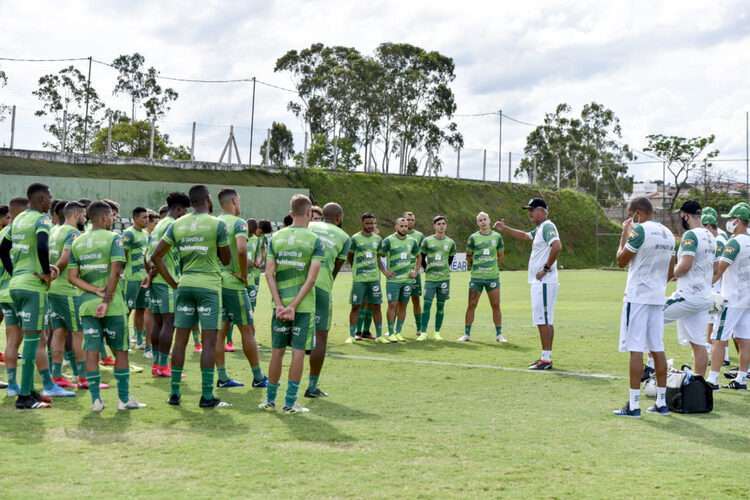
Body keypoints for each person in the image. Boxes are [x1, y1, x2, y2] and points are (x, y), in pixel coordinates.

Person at [151, 185, 232, 408]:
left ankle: (175, 393)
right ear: (207, 199)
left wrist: (173, 283)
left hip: (184, 286)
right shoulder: (218, 224)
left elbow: (156, 256)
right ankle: (207, 396)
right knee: (209, 343)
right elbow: (226, 260)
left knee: (180, 341)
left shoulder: (177, 224)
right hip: (208, 287)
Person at [68, 201, 146, 412]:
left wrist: (94, 291)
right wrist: (105, 299)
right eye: (112, 216)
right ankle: (123, 400)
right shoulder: (113, 239)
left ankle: (96, 400)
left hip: (86, 305)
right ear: (103, 218)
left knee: (92, 351)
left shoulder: (78, 241)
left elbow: (72, 277)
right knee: (121, 350)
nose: (113, 219)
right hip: (112, 306)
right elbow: (116, 271)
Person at [258, 194, 322, 414]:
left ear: (290, 212)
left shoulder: (276, 238)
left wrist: (279, 304)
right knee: (297, 352)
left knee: (276, 352)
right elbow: (311, 279)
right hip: (302, 308)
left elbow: (268, 274)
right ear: (308, 214)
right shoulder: (314, 240)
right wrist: (293, 306)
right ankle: (290, 403)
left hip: (279, 307)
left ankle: (269, 400)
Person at [612, 197, 673, 417]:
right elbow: (671, 269)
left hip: (637, 296)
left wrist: (623, 234)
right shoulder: (667, 233)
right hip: (657, 296)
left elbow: (621, 260)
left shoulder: (640, 231)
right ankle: (662, 402)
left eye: (630, 214)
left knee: (635, 348)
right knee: (657, 346)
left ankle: (634, 404)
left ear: (637, 213)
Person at [0, 184, 59, 409]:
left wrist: (15, 271)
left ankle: (28, 389)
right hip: (33, 287)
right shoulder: (41, 219)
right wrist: (45, 272)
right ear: (42, 198)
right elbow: (43, 245)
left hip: (15, 285)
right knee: (34, 341)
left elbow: (2, 249)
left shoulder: (18, 219)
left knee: (26, 339)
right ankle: (24, 398)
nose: (51, 201)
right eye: (50, 197)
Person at [496, 199, 562, 368]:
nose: (529, 213)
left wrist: (545, 268)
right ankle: (545, 357)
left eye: (532, 210)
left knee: (544, 319)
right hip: (540, 282)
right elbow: (525, 235)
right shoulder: (540, 229)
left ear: (542, 211)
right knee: (543, 319)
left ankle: (546, 359)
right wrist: (505, 229)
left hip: (545, 281)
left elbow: (557, 246)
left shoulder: (547, 226)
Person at [215, 188, 267, 389]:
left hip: (217, 283)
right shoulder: (239, 223)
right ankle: (258, 376)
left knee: (220, 332)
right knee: (247, 329)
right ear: (235, 201)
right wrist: (244, 276)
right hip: (234, 284)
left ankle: (222, 377)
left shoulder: (215, 222)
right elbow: (242, 249)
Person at [662, 201, 715, 379]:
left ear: (685, 215)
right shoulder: (710, 236)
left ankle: (652, 365)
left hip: (689, 295)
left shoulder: (691, 235)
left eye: (681, 216)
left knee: (651, 316)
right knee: (698, 343)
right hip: (704, 296)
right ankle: (698, 384)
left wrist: (669, 275)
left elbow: (685, 265)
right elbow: (713, 268)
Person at [306, 202, 350, 397]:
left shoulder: (309, 226)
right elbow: (336, 267)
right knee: (321, 336)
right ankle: (312, 386)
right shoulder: (344, 237)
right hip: (322, 286)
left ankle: (275, 387)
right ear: (339, 218)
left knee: (290, 335)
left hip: (298, 285)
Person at [145, 192, 190, 377]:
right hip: (167, 281)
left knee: (158, 322)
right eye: (184, 211)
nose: (185, 214)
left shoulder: (158, 225)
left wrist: (150, 273)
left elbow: (146, 256)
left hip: (157, 281)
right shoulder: (173, 225)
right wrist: (173, 282)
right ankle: (163, 366)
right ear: (178, 209)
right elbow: (159, 256)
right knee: (169, 322)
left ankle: (157, 364)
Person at [708, 203, 750, 390]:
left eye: (731, 218)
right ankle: (741, 378)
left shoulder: (734, 242)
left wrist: (705, 284)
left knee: (718, 337)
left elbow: (719, 269)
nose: (729, 222)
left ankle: (713, 379)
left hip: (730, 298)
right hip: (746, 298)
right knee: (744, 339)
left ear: (738, 221)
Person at [48, 201, 88, 390]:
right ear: (76, 214)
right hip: (67, 290)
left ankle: (56, 375)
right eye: (84, 214)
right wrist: (55, 272)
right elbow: (65, 258)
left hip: (53, 290)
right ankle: (82, 377)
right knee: (78, 333)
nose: (85, 218)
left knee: (59, 331)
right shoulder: (73, 233)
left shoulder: (55, 230)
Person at [459, 212, 505, 343]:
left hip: (492, 277)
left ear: (489, 221)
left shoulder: (497, 237)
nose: (483, 222)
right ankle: (466, 334)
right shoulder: (473, 238)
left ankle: (499, 334)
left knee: (495, 305)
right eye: (480, 220)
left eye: (485, 219)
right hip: (477, 277)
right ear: (477, 223)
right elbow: (469, 256)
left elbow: (501, 255)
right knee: (471, 305)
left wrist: (495, 267)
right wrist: (475, 266)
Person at [347, 213, 386, 343]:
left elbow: (378, 257)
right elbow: (350, 256)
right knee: (356, 306)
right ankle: (352, 335)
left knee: (376, 306)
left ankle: (379, 335)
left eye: (373, 223)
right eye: (368, 223)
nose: (370, 226)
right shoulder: (355, 239)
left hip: (374, 279)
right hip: (360, 279)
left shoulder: (378, 239)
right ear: (362, 223)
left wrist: (385, 272)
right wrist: (357, 268)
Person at [380, 217, 421, 342]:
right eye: (401, 226)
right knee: (392, 305)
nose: (404, 228)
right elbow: (379, 256)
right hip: (393, 281)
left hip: (407, 280)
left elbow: (419, 256)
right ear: (396, 227)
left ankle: (398, 332)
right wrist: (385, 271)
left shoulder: (412, 241)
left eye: (406, 226)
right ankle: (391, 332)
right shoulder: (388, 241)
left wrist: (415, 271)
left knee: (403, 306)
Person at [701, 206, 732, 367]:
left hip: (718, 286)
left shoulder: (718, 239)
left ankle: (717, 356)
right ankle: (721, 355)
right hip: (720, 285)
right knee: (717, 322)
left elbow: (717, 266)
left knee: (715, 322)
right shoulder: (722, 236)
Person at [418, 215, 456, 341]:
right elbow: (422, 256)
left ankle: (437, 332)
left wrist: (443, 268)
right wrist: (425, 268)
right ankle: (423, 332)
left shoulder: (450, 242)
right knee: (427, 305)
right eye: (439, 223)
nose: (441, 226)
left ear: (446, 225)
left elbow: (450, 258)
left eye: (443, 223)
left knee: (440, 306)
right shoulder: (427, 241)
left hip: (444, 279)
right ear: (434, 226)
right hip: (430, 279)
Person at [122, 207, 150, 351]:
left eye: (147, 217)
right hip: (131, 278)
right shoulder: (129, 234)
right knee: (127, 310)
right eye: (144, 217)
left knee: (141, 309)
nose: (147, 220)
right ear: (135, 218)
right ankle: (124, 340)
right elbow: (123, 254)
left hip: (143, 278)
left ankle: (139, 339)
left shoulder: (146, 234)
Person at [404, 211, 424, 337]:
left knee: (416, 300)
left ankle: (419, 327)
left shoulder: (419, 235)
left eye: (412, 219)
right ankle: (394, 329)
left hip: (414, 273)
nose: (410, 221)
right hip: (401, 273)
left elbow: (420, 255)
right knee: (400, 301)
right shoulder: (396, 236)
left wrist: (416, 271)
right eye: (408, 219)